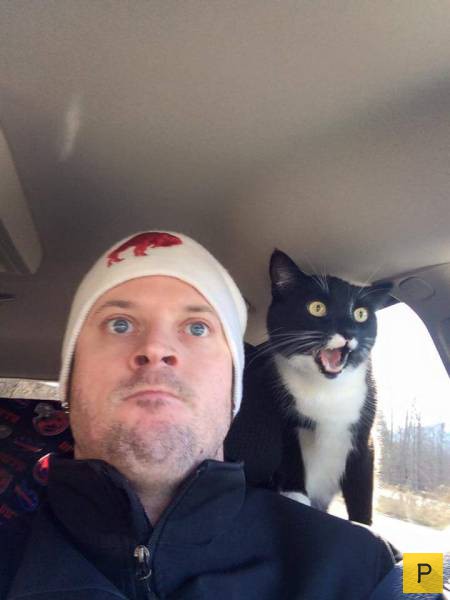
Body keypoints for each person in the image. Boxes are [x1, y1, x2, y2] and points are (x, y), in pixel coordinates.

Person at [1, 230, 399, 600]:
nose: (156, 348)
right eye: (119, 324)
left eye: (196, 328)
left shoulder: (372, 562)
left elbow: (424, 583)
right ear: (68, 380)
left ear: (234, 386)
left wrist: (424, 576)